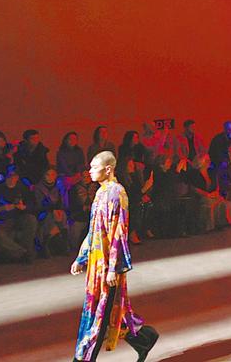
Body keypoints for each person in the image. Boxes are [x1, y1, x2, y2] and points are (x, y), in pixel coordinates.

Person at [70, 152, 158, 362]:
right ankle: (144, 338)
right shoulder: (100, 192)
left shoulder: (117, 193)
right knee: (109, 310)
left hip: (109, 266)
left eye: (94, 167)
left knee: (100, 315)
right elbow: (94, 229)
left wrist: (113, 268)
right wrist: (81, 257)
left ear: (108, 169)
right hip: (97, 263)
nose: (90, 171)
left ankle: (82, 359)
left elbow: (119, 232)